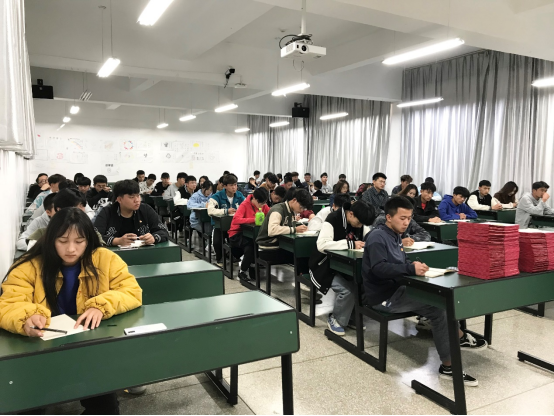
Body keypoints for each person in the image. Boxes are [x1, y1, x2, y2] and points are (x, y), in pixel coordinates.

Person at [1, 207, 142, 415]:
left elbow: (131, 291)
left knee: (106, 409)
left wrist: (101, 305)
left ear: (89, 240)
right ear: (51, 239)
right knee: (26, 406)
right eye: (63, 241)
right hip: (40, 351)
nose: (71, 249)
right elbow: (9, 303)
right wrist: (27, 317)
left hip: (90, 349)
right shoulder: (29, 266)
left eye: (79, 241)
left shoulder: (105, 259)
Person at [364, 197, 486, 386]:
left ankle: (458, 337)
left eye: (409, 218)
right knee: (439, 307)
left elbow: (399, 262)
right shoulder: (377, 237)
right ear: (388, 217)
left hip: (399, 289)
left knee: (442, 298)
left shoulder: (395, 234)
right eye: (402, 218)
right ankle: (449, 365)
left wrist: (411, 264)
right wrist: (410, 269)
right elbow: (379, 268)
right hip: (384, 297)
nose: (406, 223)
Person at [310, 200, 376, 336]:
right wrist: (350, 244)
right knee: (348, 291)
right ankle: (336, 318)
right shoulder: (333, 219)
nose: (360, 226)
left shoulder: (360, 222)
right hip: (324, 266)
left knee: (365, 286)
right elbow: (322, 245)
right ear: (351, 214)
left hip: (345, 266)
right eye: (359, 223)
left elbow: (368, 238)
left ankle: (350, 316)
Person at [94, 180, 169, 247]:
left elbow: (163, 231)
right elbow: (94, 236)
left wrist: (153, 238)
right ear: (119, 199)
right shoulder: (107, 212)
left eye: (138, 196)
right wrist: (117, 241)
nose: (137, 200)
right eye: (132, 197)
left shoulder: (146, 209)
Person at [256, 188, 313, 272]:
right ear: (294, 200)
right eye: (301, 207)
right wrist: (294, 229)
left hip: (279, 245)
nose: (301, 210)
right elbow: (272, 230)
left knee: (305, 253)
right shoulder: (278, 210)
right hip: (268, 248)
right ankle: (303, 278)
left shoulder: (290, 210)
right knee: (301, 256)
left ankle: (303, 277)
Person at [228, 188, 271, 282]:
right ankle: (243, 271)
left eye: (264, 203)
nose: (262, 205)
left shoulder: (263, 205)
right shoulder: (244, 205)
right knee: (251, 246)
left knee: (257, 242)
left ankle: (252, 266)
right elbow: (236, 220)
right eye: (260, 203)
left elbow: (270, 214)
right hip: (237, 234)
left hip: (252, 234)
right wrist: (254, 220)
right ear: (254, 198)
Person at [208, 175, 246, 267]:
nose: (234, 187)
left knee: (242, 241)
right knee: (217, 242)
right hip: (220, 226)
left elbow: (246, 207)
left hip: (235, 226)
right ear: (224, 186)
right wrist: (225, 211)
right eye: (231, 185)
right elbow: (210, 211)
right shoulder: (216, 196)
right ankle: (220, 258)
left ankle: (233, 255)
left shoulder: (239, 196)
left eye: (235, 184)